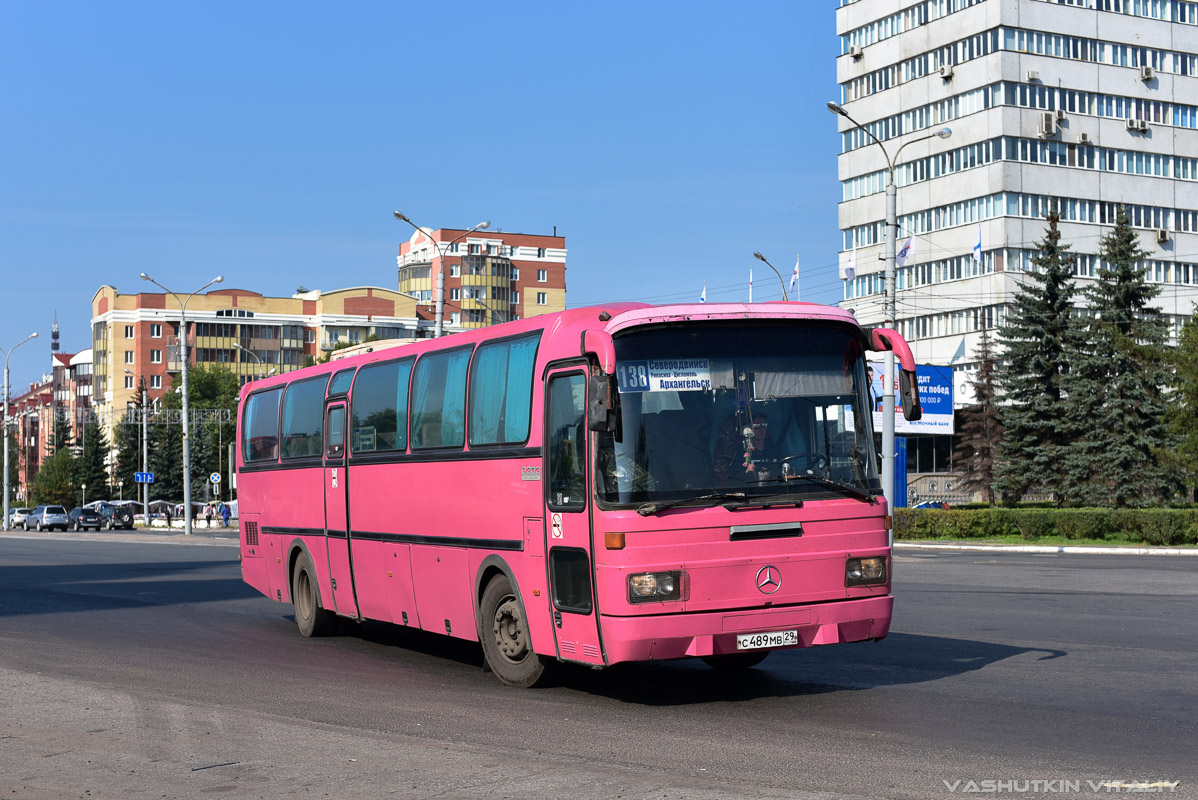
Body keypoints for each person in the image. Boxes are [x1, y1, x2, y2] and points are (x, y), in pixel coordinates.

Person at [713, 412, 771, 483]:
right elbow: (734, 478)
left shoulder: (773, 449)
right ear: (749, 429)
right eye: (756, 426)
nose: (761, 429)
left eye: (763, 425)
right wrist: (747, 472)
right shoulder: (742, 452)